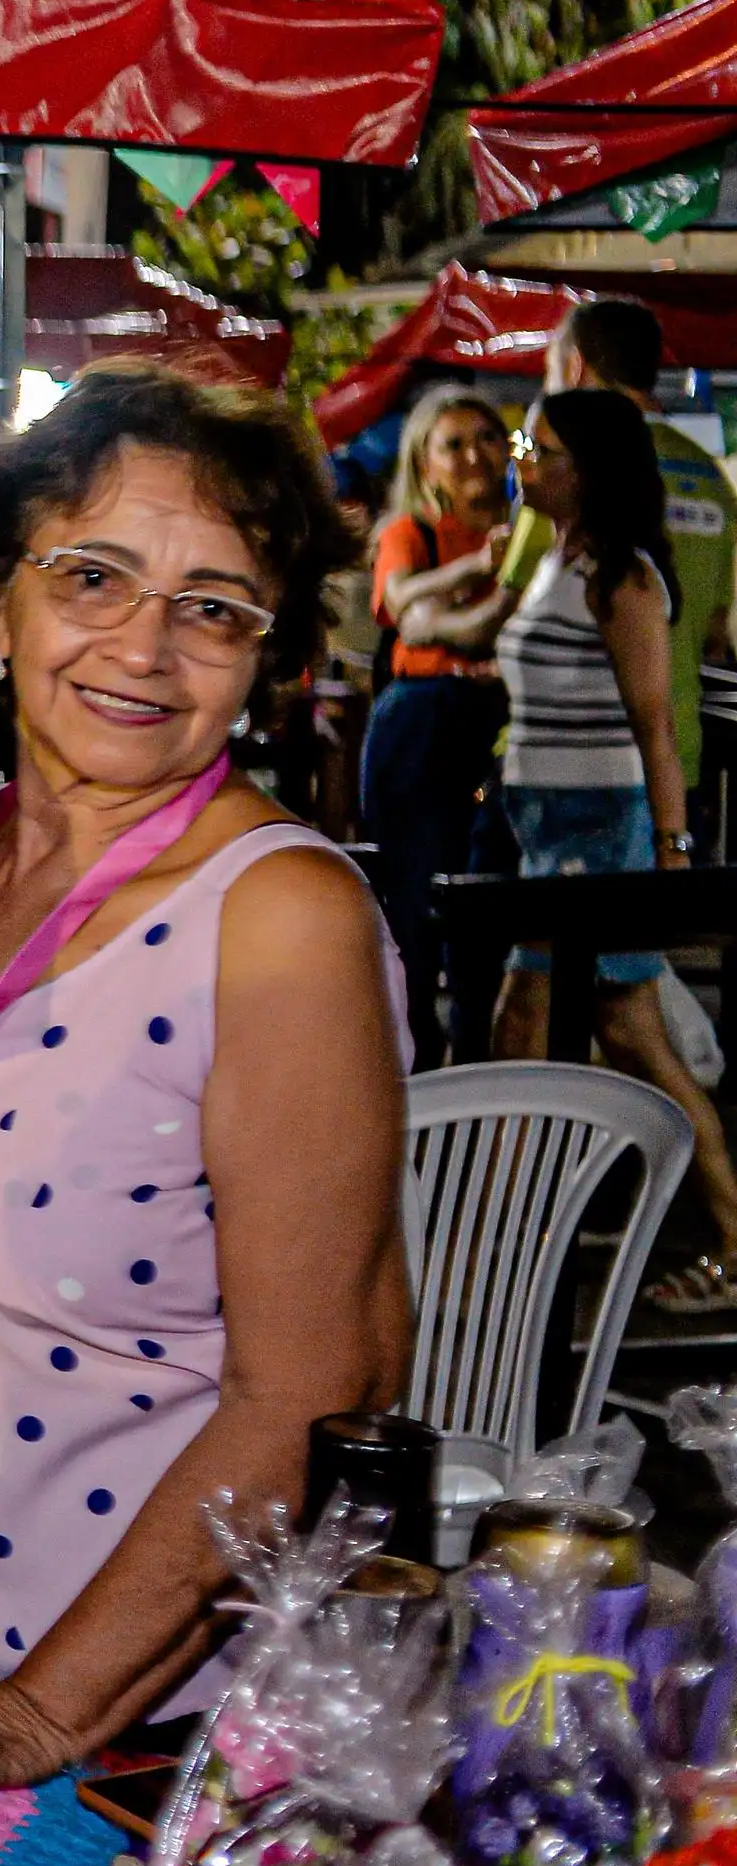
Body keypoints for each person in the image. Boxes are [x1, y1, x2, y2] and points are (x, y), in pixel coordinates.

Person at [0, 366, 408, 1790]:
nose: (145, 645)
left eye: (212, 605)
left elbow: (314, 1386)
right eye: (93, 575)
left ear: (267, 656)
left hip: (143, 1726)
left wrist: (37, 1709)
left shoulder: (279, 918)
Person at [492, 385, 737, 1305]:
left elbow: (656, 725)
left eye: (537, 446)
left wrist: (670, 856)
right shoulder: (566, 557)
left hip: (599, 837)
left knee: (562, 1028)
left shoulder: (622, 575)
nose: (521, 458)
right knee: (586, 1028)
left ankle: (510, 1236)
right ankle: (520, 1229)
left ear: (583, 470)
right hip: (552, 831)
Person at [499, 296, 735, 828]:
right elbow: (715, 631)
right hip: (682, 758)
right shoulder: (713, 480)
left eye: (549, 368)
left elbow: (508, 606)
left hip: (570, 770)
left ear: (576, 365)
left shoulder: (571, 478)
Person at [358, 384, 518, 1058]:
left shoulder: (533, 528)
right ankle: (416, 1053)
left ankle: (475, 1049)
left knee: (491, 893)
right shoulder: (411, 533)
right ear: (425, 465)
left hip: (501, 728)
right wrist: (481, 577)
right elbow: (401, 606)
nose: (474, 455)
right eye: (453, 445)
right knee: (416, 890)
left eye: (487, 439)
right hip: (422, 726)